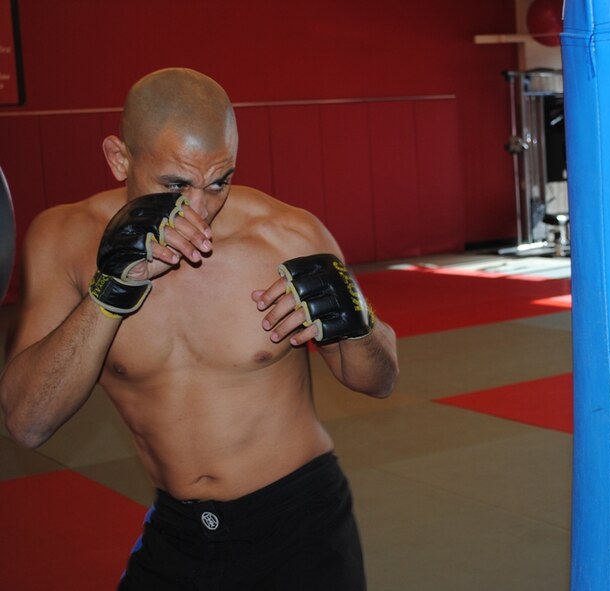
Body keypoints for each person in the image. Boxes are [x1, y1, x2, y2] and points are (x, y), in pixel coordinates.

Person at [0, 67, 398, 590]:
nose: (200, 209)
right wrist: (111, 292)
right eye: (176, 184)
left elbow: (379, 380)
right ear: (119, 158)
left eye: (219, 182)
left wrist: (358, 325)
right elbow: (27, 423)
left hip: (301, 527)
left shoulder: (286, 235)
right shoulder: (64, 240)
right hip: (180, 532)